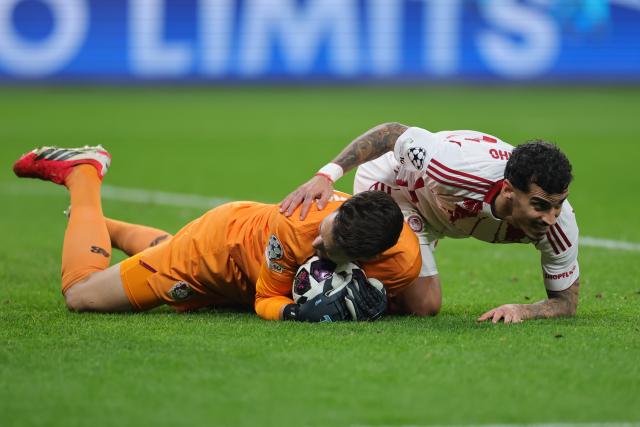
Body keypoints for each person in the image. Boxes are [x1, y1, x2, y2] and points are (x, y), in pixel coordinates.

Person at [12, 145, 425, 321]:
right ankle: (84, 173)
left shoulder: (404, 263)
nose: (318, 242)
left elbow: (377, 296)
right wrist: (295, 313)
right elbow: (267, 297)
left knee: (160, 250)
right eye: (325, 232)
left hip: (244, 278)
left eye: (328, 249)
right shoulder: (298, 225)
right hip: (214, 253)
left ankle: (105, 229)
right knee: (82, 295)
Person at [280, 123, 580, 324]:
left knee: (421, 304)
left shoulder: (558, 225)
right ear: (508, 191)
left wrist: (522, 310)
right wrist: (327, 175)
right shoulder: (453, 168)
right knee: (421, 302)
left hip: (440, 213)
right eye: (540, 205)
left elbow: (566, 302)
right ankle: (295, 262)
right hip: (395, 190)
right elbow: (390, 133)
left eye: (558, 204)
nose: (550, 217)